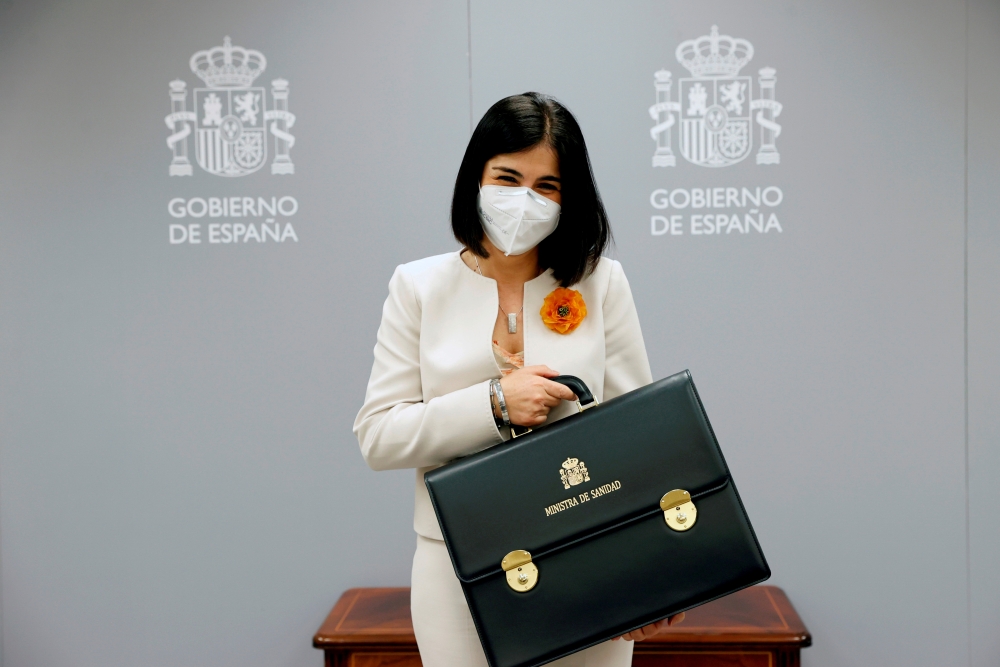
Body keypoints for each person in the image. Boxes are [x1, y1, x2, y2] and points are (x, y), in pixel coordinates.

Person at [354, 92, 682, 667]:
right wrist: (494, 404)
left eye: (547, 186)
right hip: (460, 565)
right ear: (475, 178)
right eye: (507, 178)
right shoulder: (418, 286)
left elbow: (640, 437)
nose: (524, 200)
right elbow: (379, 436)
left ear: (569, 195)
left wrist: (656, 564)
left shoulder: (601, 283)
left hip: (591, 552)